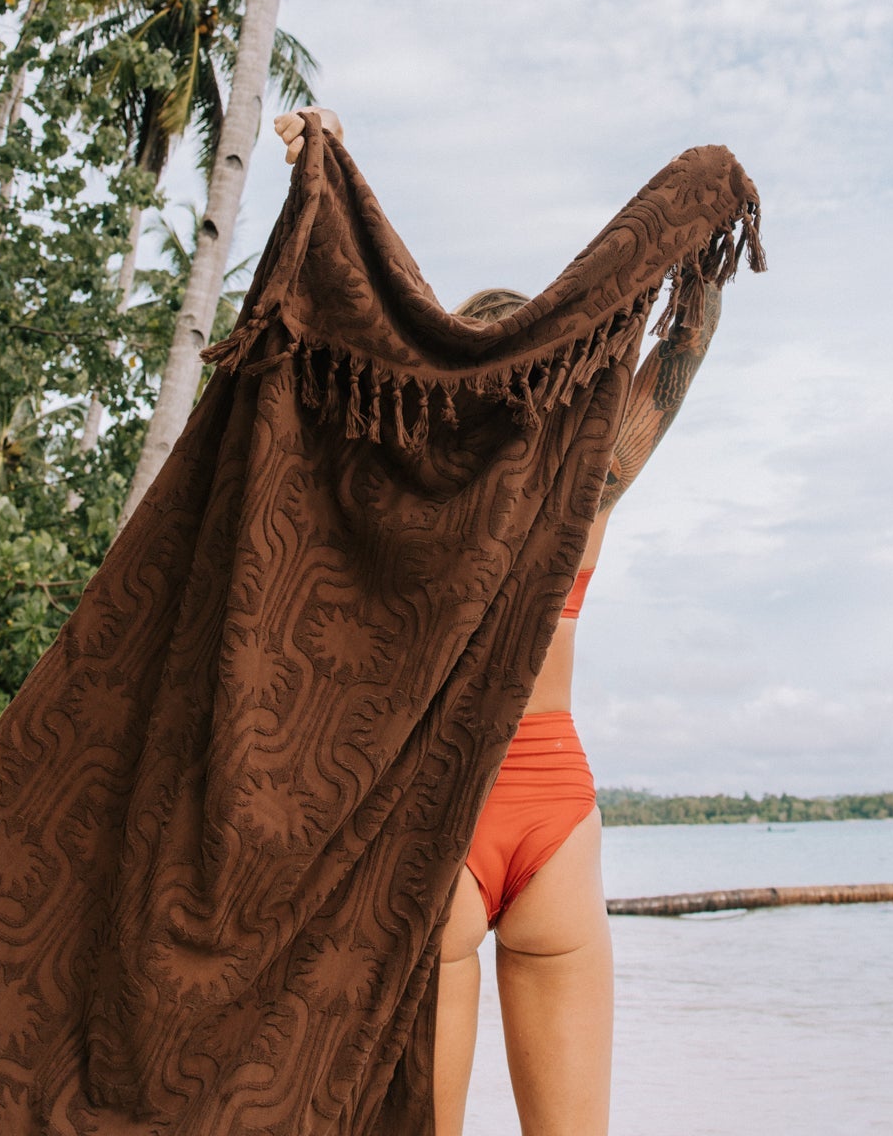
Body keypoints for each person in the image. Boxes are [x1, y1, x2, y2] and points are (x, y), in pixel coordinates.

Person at [274, 108, 721, 1136]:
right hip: (557, 814)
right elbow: (681, 357)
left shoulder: (422, 495)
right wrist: (706, 229)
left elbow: (353, 332)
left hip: (444, 817)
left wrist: (319, 186)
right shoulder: (590, 486)